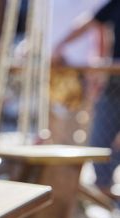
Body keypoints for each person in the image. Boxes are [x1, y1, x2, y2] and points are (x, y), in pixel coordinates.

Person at [54, 0, 120, 200]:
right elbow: (94, 22)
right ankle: (101, 190)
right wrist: (62, 45)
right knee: (101, 137)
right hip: (115, 82)